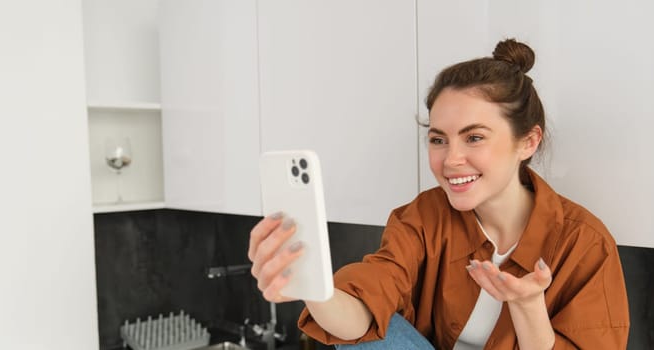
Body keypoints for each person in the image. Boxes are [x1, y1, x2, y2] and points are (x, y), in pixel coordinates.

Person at [248, 38, 630, 350]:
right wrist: (310, 287)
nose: (451, 160)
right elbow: (367, 309)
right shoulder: (423, 217)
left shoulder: (584, 243)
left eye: (474, 137)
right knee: (374, 336)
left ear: (528, 141)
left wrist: (528, 305)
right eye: (438, 139)